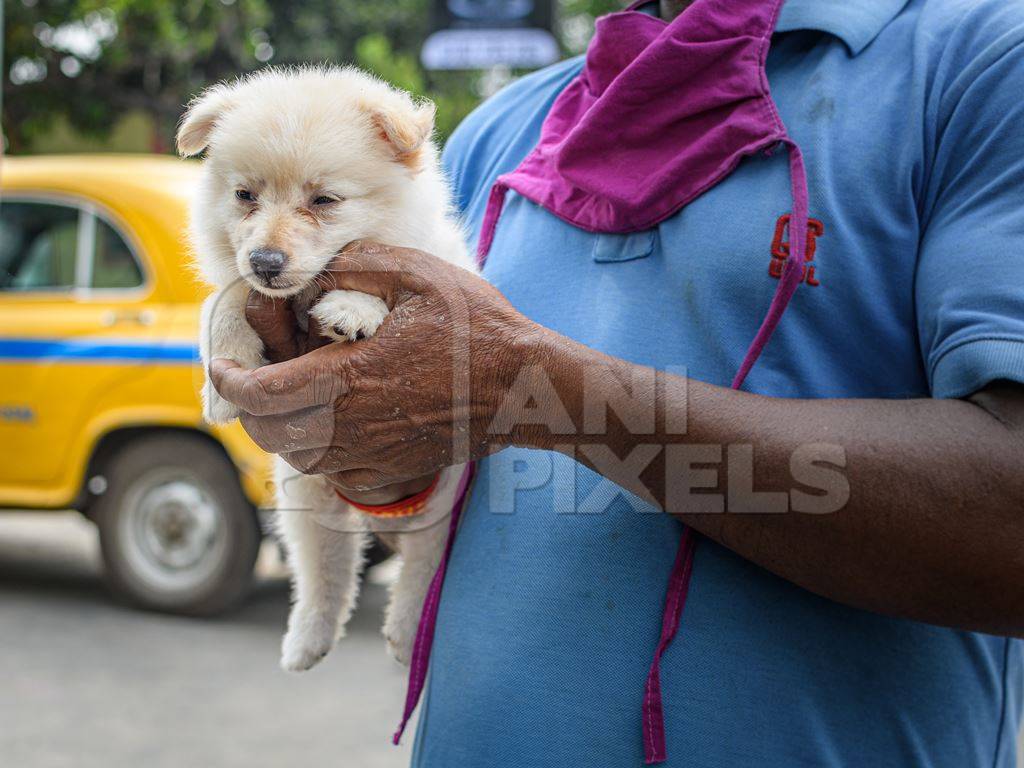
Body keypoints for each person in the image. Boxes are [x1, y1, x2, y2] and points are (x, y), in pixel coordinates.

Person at [210, 0, 1024, 765]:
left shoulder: (983, 61)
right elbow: (451, 509)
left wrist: (540, 389)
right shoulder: (504, 127)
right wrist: (373, 459)